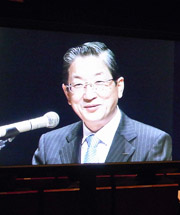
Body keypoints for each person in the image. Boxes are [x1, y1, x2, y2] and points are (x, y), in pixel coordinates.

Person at [32, 42, 172, 164]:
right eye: (78, 84)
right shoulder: (48, 144)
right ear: (67, 93)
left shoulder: (152, 142)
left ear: (119, 86)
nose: (89, 95)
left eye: (99, 82)